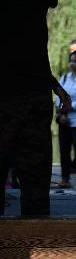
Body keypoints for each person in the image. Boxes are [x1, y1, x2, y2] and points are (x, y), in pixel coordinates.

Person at [0, 0, 69, 216]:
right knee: (26, 179)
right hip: (16, 99)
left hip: (7, 100)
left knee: (3, 177)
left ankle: (27, 242)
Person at [57, 51, 76, 189]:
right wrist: (61, 113)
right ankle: (65, 178)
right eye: (71, 61)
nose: (73, 64)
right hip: (64, 121)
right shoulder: (64, 78)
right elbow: (58, 97)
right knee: (64, 151)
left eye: (75, 61)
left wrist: (70, 106)